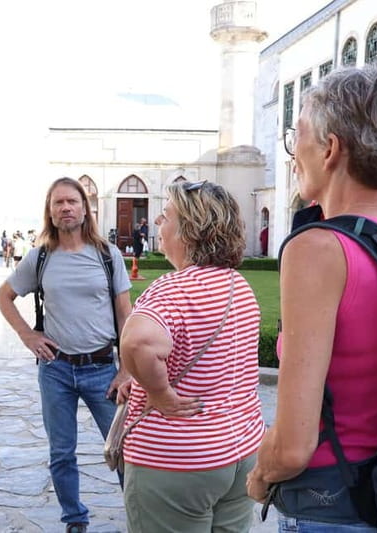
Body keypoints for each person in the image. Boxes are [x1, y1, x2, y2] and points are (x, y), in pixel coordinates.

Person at [246, 62, 377, 531]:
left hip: (330, 503)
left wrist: (259, 477)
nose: (294, 157)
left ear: (330, 149)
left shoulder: (318, 249)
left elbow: (293, 445)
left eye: (299, 139)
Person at [117, 180, 265, 533]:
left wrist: (157, 392)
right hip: (241, 451)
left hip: (178, 460)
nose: (157, 224)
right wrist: (143, 381)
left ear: (189, 231)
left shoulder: (172, 289)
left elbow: (138, 343)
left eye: (165, 216)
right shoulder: (238, 286)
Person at [0, 177, 132, 533]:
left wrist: (126, 369)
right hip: (56, 370)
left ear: (85, 209)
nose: (65, 208)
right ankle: (74, 518)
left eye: (72, 201)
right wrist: (28, 335)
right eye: (58, 203)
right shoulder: (40, 257)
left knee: (123, 448)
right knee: (61, 453)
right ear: (50, 212)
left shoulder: (107, 255)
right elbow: (3, 296)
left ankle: (137, 512)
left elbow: (124, 315)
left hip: (102, 368)